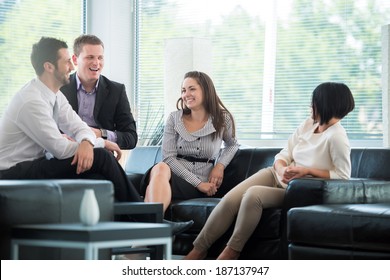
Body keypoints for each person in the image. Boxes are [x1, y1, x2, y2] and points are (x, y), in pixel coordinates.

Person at [184, 81, 355, 260]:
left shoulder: (337, 137)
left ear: (327, 104)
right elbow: (285, 152)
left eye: (315, 102)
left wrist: (306, 171)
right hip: (276, 174)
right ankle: (198, 250)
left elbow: (343, 176)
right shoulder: (309, 124)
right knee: (230, 199)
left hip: (298, 189)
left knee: (253, 195)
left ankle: (232, 251)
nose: (311, 106)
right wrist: (281, 168)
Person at [0, 36, 141, 203]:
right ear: (49, 67)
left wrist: (87, 143)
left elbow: (79, 127)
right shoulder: (31, 101)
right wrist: (101, 143)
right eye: (67, 62)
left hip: (36, 164)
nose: (72, 67)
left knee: (96, 175)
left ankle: (132, 220)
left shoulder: (54, 94)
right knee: (102, 157)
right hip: (14, 172)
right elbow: (60, 149)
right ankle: (148, 219)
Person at [141, 71, 240, 233]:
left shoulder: (223, 118)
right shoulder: (174, 118)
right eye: (183, 90)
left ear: (206, 90)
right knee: (160, 167)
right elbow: (169, 158)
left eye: (191, 89)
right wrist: (198, 184)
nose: (186, 94)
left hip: (203, 181)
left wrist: (220, 165)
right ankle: (155, 227)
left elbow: (233, 145)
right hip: (174, 177)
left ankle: (145, 237)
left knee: (150, 196)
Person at [60, 34, 137, 150]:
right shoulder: (59, 88)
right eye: (90, 57)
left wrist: (101, 133)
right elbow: (42, 131)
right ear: (75, 60)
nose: (96, 63)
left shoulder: (116, 91)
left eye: (100, 58)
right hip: (65, 151)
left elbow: (131, 138)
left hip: (101, 155)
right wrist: (61, 138)